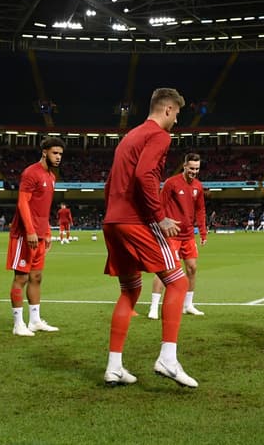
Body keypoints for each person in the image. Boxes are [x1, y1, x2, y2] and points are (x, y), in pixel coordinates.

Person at [102, 87, 196, 388]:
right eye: (177, 114)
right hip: (135, 220)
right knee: (178, 281)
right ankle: (168, 358)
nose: (177, 121)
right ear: (167, 109)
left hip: (113, 220)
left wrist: (113, 215)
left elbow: (109, 183)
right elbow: (145, 176)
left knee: (130, 290)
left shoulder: (129, 137)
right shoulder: (159, 136)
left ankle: (114, 367)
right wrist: (158, 216)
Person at [8, 135, 63, 336]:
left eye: (60, 154)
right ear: (44, 152)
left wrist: (46, 233)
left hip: (39, 235)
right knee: (21, 277)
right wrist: (30, 231)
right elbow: (23, 203)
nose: (58, 157)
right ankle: (18, 324)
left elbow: (44, 208)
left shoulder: (51, 177)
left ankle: (35, 321)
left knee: (36, 277)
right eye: (55, 153)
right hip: (24, 234)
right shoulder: (31, 173)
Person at [148, 152, 208, 319]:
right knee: (165, 269)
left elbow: (200, 210)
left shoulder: (198, 186)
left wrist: (203, 232)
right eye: (191, 168)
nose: (194, 171)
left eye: (197, 169)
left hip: (188, 234)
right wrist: (161, 226)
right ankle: (153, 307)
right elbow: (160, 205)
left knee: (192, 268)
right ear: (185, 166)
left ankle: (188, 305)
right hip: (171, 234)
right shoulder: (171, 183)